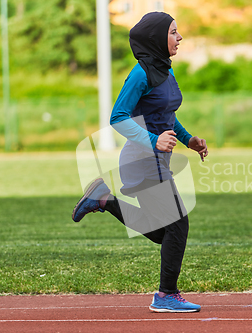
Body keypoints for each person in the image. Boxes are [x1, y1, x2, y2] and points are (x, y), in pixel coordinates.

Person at [72, 12, 208, 313]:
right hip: (141, 159)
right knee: (178, 226)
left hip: (156, 159)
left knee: (165, 232)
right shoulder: (140, 74)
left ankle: (104, 200)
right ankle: (166, 295)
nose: (179, 37)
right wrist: (153, 141)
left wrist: (189, 140)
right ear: (157, 38)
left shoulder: (165, 71)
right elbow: (117, 118)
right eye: (173, 32)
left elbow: (165, 116)